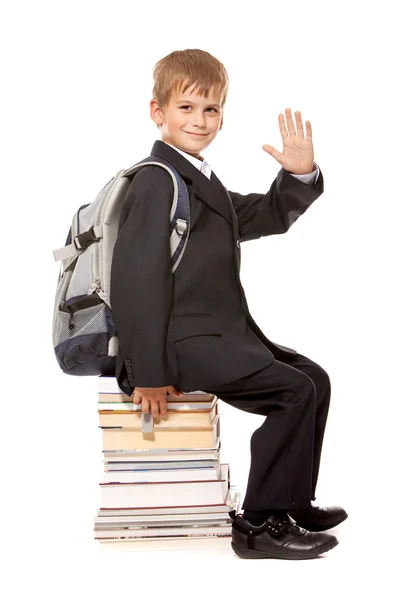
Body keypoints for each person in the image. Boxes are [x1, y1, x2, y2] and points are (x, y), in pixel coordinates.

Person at [110, 48, 347, 560]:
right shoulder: (158, 179)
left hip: (217, 334)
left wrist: (300, 176)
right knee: (293, 392)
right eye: (186, 108)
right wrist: (147, 370)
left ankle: (291, 501)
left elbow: (264, 215)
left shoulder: (197, 177)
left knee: (316, 379)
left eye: (211, 109)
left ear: (223, 115)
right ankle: (260, 524)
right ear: (158, 112)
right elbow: (136, 280)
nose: (200, 120)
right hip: (181, 345)